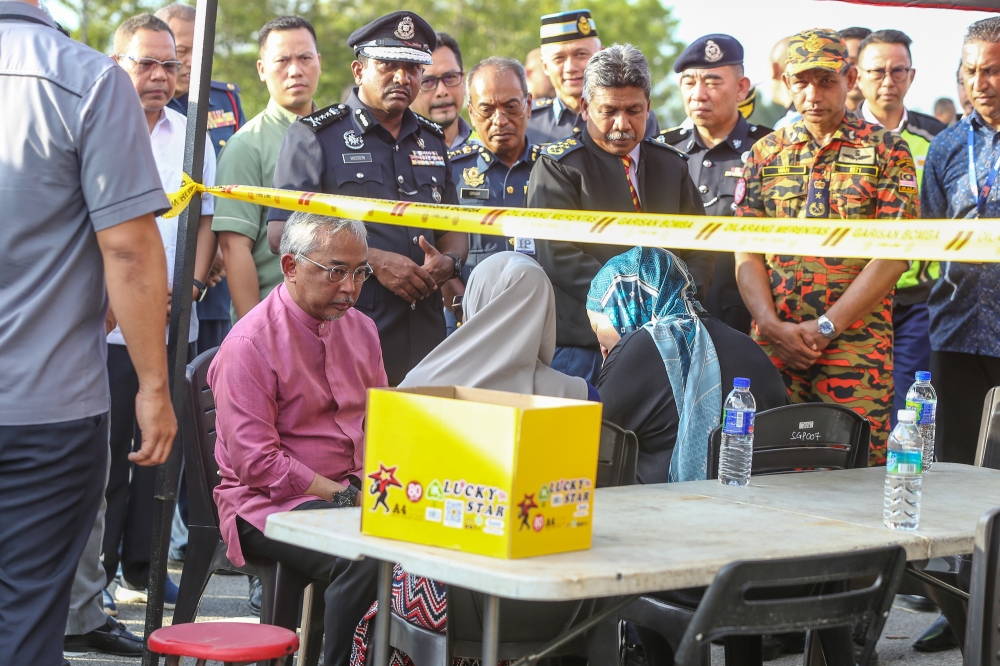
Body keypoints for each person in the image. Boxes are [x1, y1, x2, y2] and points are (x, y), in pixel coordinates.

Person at [0, 0, 175, 663]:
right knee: (27, 608)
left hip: (49, 403)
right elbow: (129, 250)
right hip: (47, 406)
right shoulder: (87, 78)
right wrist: (153, 385)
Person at [349, 252, 592, 666]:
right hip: (553, 602)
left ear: (477, 302)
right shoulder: (577, 396)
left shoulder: (420, 386)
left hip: (434, 600)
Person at [734, 28, 919, 466]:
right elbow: (744, 248)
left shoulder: (888, 152)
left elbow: (894, 255)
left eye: (826, 80)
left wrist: (826, 328)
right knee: (767, 470)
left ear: (850, 77)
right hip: (774, 345)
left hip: (855, 348)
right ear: (786, 82)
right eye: (802, 81)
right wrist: (770, 325)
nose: (813, 93)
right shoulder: (765, 153)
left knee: (851, 476)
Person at [210, 211, 385, 666]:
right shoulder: (249, 343)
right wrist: (345, 496)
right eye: (336, 272)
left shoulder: (362, 329)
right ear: (290, 267)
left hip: (349, 490)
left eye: (359, 272)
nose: (350, 287)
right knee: (363, 555)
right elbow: (257, 464)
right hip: (267, 502)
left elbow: (384, 422)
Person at [267, 11, 468, 386]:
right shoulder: (316, 136)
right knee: (353, 439)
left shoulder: (432, 139)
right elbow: (281, 232)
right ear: (359, 71)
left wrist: (450, 262)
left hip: (424, 330)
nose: (401, 78)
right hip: (346, 328)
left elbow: (455, 227)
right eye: (388, 65)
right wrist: (371, 261)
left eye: (412, 68)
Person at [104, 13, 218, 609]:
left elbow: (205, 227)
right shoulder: (95, 130)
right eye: (144, 63)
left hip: (174, 323)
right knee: (103, 458)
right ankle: (92, 575)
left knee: (157, 454)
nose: (158, 76)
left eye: (169, 64)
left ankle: (143, 569)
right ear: (116, 64)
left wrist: (192, 288)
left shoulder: (193, 137)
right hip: (103, 329)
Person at [527, 44, 711, 385]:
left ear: (648, 107)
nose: (622, 124)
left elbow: (701, 247)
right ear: (584, 108)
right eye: (609, 110)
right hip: (586, 345)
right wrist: (632, 302)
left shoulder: (671, 165)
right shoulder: (560, 167)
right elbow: (559, 255)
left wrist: (674, 300)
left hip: (670, 339)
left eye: (633, 110)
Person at [591, 247, 788, 483]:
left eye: (596, 328)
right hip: (758, 506)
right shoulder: (751, 348)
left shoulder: (641, 348)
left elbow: (589, 440)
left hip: (661, 511)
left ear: (624, 306)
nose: (602, 347)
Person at [856, 29, 946, 428]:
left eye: (897, 71)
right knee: (856, 404)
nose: (887, 81)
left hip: (916, 299)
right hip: (852, 297)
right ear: (856, 76)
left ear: (912, 76)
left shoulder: (938, 139)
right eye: (876, 71)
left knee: (908, 410)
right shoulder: (840, 137)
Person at [922, 16, 1000, 466]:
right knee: (952, 463)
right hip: (955, 329)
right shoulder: (946, 145)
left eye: (992, 70)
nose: (980, 83)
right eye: (970, 71)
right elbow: (931, 228)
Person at [657, 34, 772, 335]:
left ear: (742, 88)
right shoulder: (662, 151)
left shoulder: (771, 149)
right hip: (672, 316)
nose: (698, 94)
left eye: (712, 82)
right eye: (689, 82)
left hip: (749, 318)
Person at [215, 16, 321, 322]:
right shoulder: (247, 145)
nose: (295, 70)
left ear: (319, 62)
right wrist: (255, 334)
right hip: (276, 320)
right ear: (262, 69)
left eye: (304, 58)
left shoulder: (341, 136)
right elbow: (234, 249)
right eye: (282, 60)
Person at [156, 3, 244, 353]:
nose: (192, 59)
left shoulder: (225, 100)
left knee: (208, 385)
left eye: (200, 48)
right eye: (182, 49)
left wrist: (217, 252)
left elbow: (231, 179)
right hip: (159, 276)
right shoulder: (138, 108)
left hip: (217, 277)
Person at [446, 56, 541, 328]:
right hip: (468, 322)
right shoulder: (449, 171)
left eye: (511, 107)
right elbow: (438, 248)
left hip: (539, 319)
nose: (500, 120)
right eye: (487, 110)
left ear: (529, 104)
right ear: (471, 112)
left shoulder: (555, 170)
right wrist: (461, 308)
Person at [527, 10, 659, 145]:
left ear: (601, 55)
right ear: (545, 66)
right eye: (559, 58)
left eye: (580, 54)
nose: (570, 67)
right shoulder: (528, 121)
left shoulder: (639, 118)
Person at [409, 32, 474, 149]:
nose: (442, 91)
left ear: (463, 81)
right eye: (427, 81)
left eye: (450, 77)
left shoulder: (487, 149)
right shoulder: (394, 152)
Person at [838, 26, 871, 115]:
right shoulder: (807, 125)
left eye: (864, 63)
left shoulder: (898, 124)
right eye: (850, 63)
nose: (857, 71)